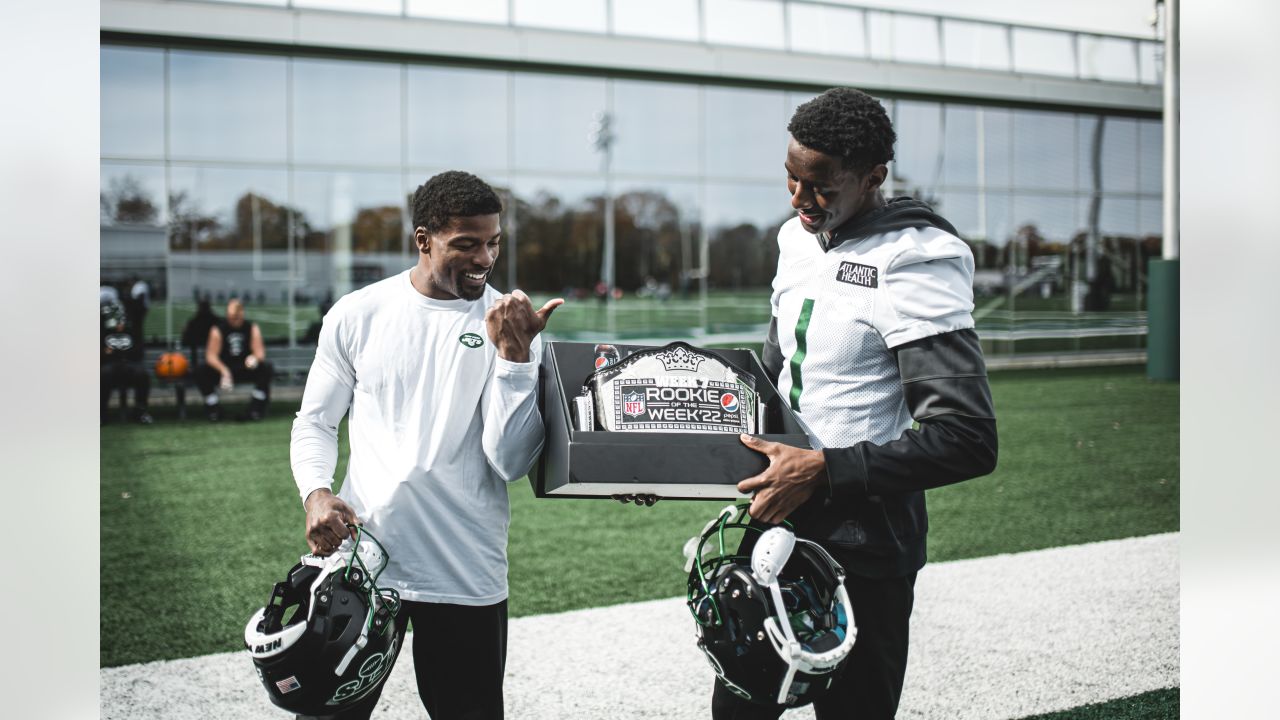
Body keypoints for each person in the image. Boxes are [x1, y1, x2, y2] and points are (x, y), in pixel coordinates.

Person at [718, 87, 999, 719]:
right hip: (775, 523)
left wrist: (823, 469)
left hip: (865, 547)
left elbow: (967, 438)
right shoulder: (795, 238)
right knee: (736, 710)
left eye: (820, 186)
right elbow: (774, 377)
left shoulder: (916, 257)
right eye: (791, 178)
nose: (799, 199)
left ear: (874, 177)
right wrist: (668, 460)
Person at [290, 170, 562, 720]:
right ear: (423, 239)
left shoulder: (512, 325)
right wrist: (316, 492)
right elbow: (316, 421)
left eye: (493, 242)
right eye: (466, 244)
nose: (484, 258)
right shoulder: (358, 314)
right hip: (363, 563)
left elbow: (508, 461)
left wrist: (513, 359)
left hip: (464, 569)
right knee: (327, 715)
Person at [193, 298, 272, 421]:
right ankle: (213, 408)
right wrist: (223, 370)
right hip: (223, 368)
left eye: (237, 316)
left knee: (266, 368)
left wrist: (254, 358)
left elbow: (260, 352)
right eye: (232, 317)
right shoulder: (218, 329)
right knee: (200, 371)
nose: (235, 319)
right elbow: (210, 356)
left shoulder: (251, 328)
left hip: (244, 368)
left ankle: (256, 408)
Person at [100, 298, 153, 425]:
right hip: (110, 366)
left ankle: (140, 410)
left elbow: (138, 353)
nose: (119, 323)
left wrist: (118, 353)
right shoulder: (103, 332)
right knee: (103, 374)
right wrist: (106, 353)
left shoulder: (133, 332)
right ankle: (101, 413)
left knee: (142, 374)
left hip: (129, 365)